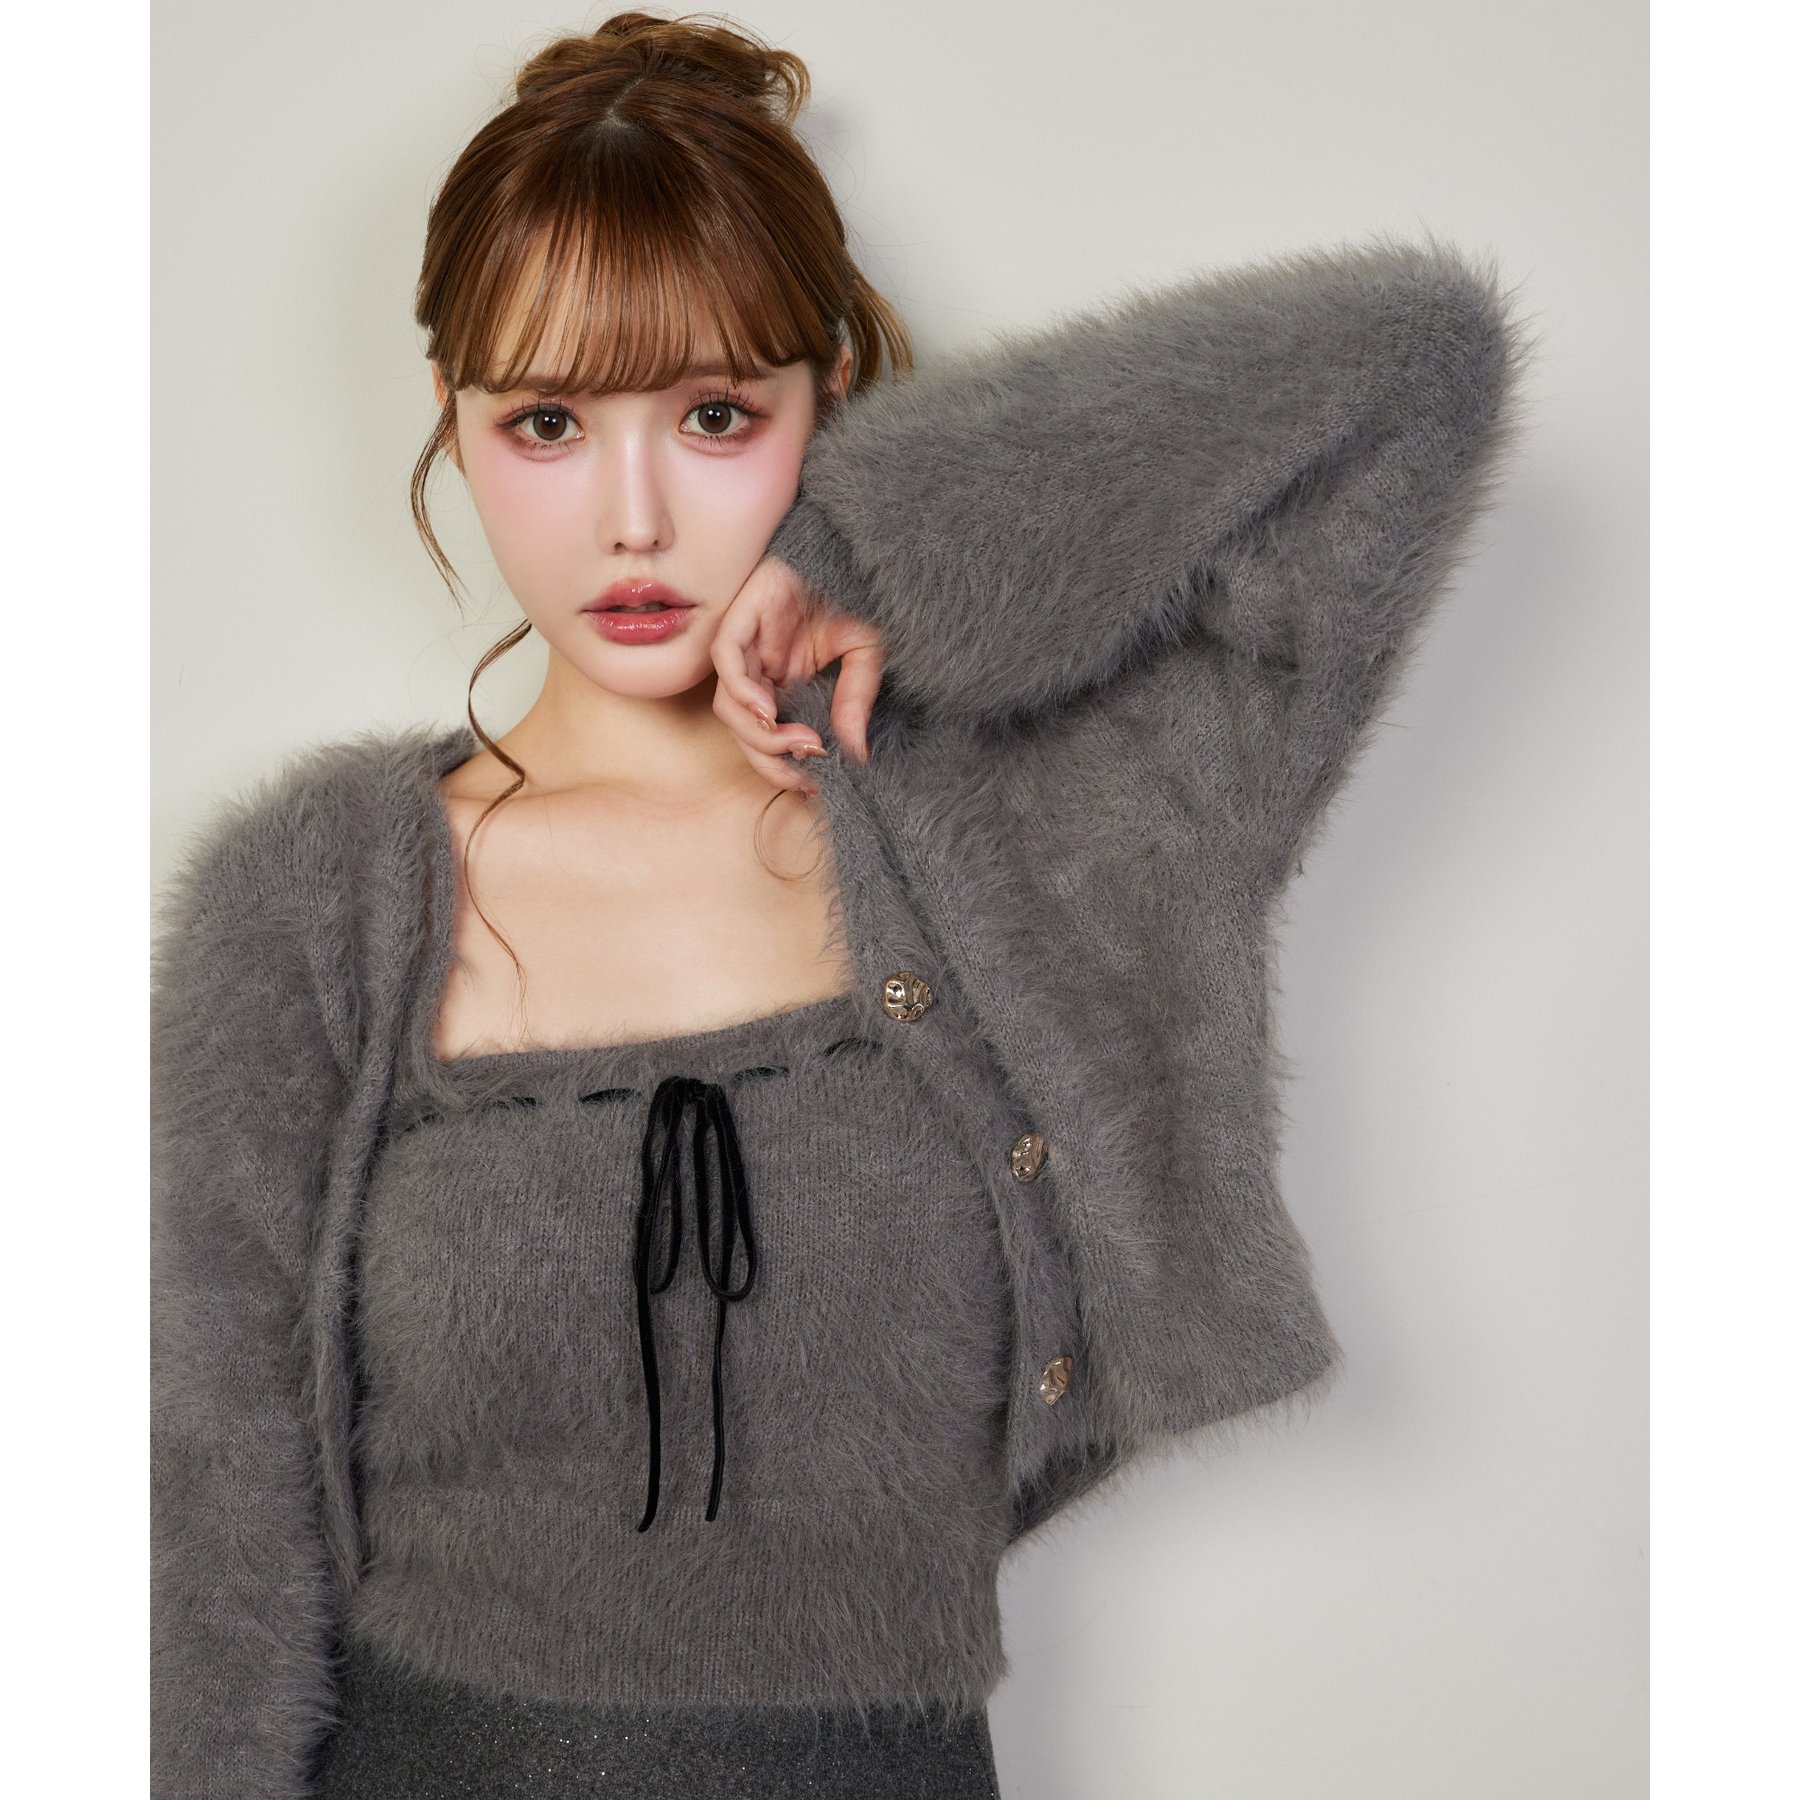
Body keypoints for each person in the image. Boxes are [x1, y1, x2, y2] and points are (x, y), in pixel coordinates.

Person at [150, 11, 1534, 1799]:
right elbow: (201, 1525)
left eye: (716, 414)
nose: (633, 516)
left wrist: (883, 548)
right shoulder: (315, 903)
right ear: (457, 428)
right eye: (548, 421)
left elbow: (1422, 365)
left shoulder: (1039, 832)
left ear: (831, 401)